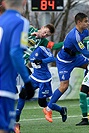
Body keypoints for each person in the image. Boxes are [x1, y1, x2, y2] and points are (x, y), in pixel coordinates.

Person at [44, 13, 89, 123]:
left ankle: (88, 87)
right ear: (79, 22)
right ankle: (48, 109)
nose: (87, 23)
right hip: (64, 61)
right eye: (85, 21)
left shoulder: (86, 32)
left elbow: (88, 46)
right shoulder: (74, 36)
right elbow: (85, 52)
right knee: (64, 86)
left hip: (76, 57)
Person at [0, 0, 35, 133]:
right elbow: (15, 52)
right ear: (24, 2)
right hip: (3, 86)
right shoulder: (21, 22)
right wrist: (27, 81)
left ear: (3, 3)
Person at [15, 45, 67, 132]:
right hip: (34, 78)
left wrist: (42, 61)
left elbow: (52, 58)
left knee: (42, 103)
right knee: (22, 94)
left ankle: (62, 110)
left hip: (44, 80)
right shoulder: (26, 49)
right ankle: (17, 114)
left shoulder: (41, 48)